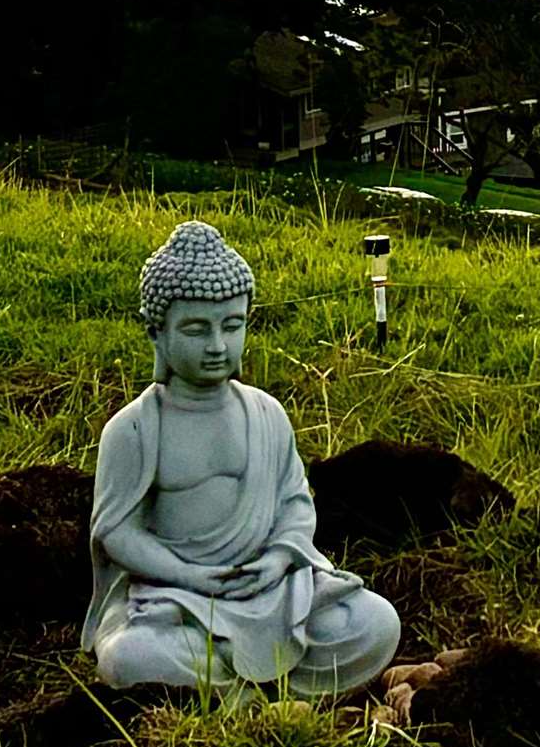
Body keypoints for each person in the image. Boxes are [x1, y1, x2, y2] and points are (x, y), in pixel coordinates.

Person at [84, 220, 399, 701]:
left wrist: (276, 560)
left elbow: (294, 505)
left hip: (270, 590)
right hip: (178, 597)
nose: (217, 346)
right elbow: (116, 532)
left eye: (232, 326)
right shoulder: (134, 429)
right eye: (196, 329)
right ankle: (264, 691)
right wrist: (188, 575)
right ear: (157, 333)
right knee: (131, 656)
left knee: (374, 622)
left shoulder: (266, 414)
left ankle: (243, 694)